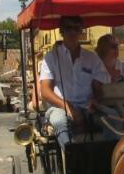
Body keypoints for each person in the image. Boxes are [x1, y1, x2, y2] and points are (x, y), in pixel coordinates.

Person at [38, 16, 110, 147]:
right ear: (61, 31)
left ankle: (112, 161)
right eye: (68, 28)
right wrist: (67, 107)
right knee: (60, 122)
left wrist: (95, 100)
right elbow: (45, 91)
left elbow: (98, 87)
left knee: (113, 118)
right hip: (60, 107)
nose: (72, 32)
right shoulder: (51, 57)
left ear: (81, 31)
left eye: (76, 29)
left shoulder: (91, 58)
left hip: (88, 107)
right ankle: (70, 160)